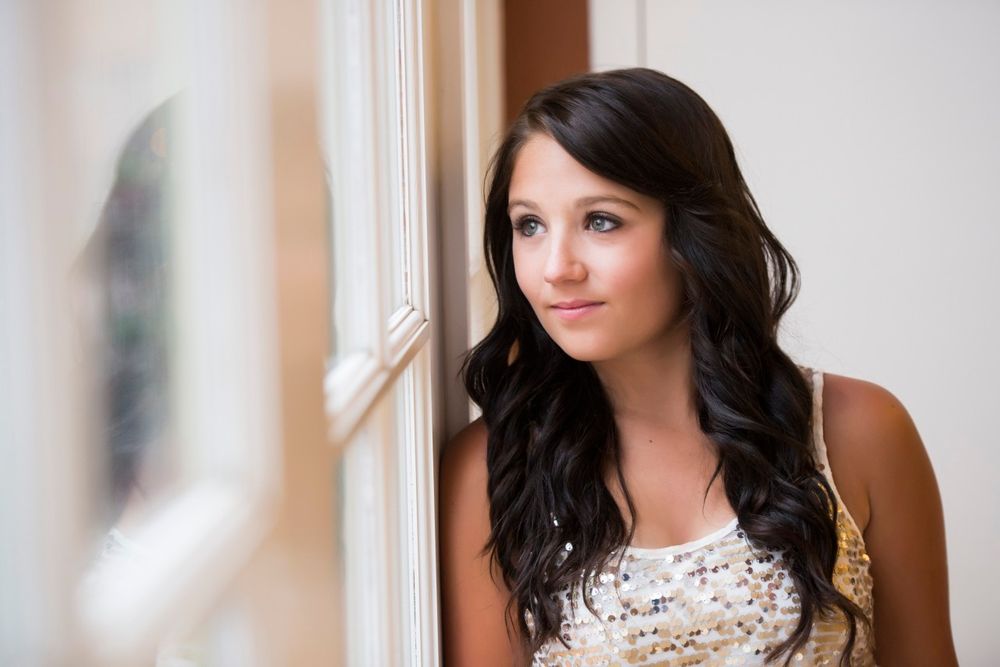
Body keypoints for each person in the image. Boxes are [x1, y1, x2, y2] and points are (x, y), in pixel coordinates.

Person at [439, 68, 957, 666]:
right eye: (529, 224)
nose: (556, 266)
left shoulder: (860, 431)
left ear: (693, 235)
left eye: (601, 221)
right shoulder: (492, 471)